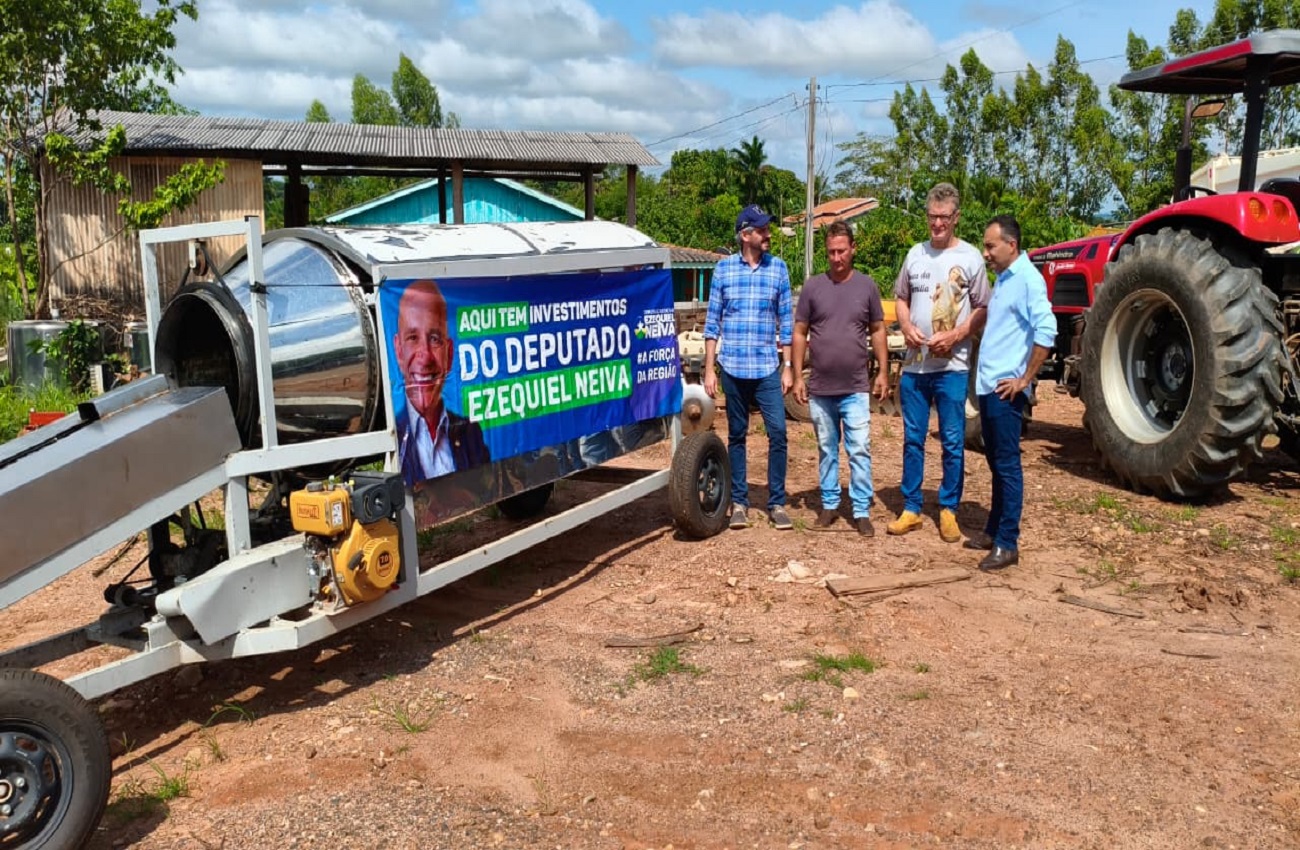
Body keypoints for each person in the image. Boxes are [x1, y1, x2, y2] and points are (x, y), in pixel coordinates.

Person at [887, 183, 990, 543]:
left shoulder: (972, 258)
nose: (937, 224)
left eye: (944, 217)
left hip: (952, 368)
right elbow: (900, 297)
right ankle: (912, 507)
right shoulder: (915, 255)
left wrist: (958, 334)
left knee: (951, 439)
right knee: (912, 439)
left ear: (956, 217)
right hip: (915, 366)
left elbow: (982, 308)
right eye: (932, 217)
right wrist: (905, 325)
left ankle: (948, 509)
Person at [791, 220, 890, 536]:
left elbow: (877, 330)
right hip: (820, 387)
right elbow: (799, 332)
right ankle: (830, 505)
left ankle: (861, 510)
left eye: (842, 251)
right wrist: (796, 375)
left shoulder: (867, 286)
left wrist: (884, 372)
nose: (836, 257)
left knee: (859, 448)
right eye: (831, 252)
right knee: (827, 449)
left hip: (856, 387)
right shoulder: (813, 287)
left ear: (853, 250)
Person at [968, 215, 1056, 570]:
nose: (985, 253)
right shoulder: (1005, 279)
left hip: (1006, 391)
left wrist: (1025, 379)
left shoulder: (1028, 281)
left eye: (990, 246)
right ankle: (993, 529)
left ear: (1011, 245)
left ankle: (1007, 542)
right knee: (995, 462)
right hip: (990, 387)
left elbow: (1046, 331)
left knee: (1007, 466)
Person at [703, 204, 795, 531]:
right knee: (737, 436)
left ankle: (777, 503)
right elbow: (712, 323)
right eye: (762, 230)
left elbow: (787, 322)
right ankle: (739, 501)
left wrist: (787, 367)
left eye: (767, 228)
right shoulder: (724, 271)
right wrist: (710, 369)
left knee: (779, 433)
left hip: (768, 367)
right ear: (746, 235)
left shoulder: (779, 269)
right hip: (733, 367)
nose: (768, 234)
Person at [393, 279, 490, 486]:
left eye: (435, 339)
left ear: (450, 353)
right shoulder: (392, 438)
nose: (425, 356)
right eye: (412, 337)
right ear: (398, 351)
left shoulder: (470, 434)